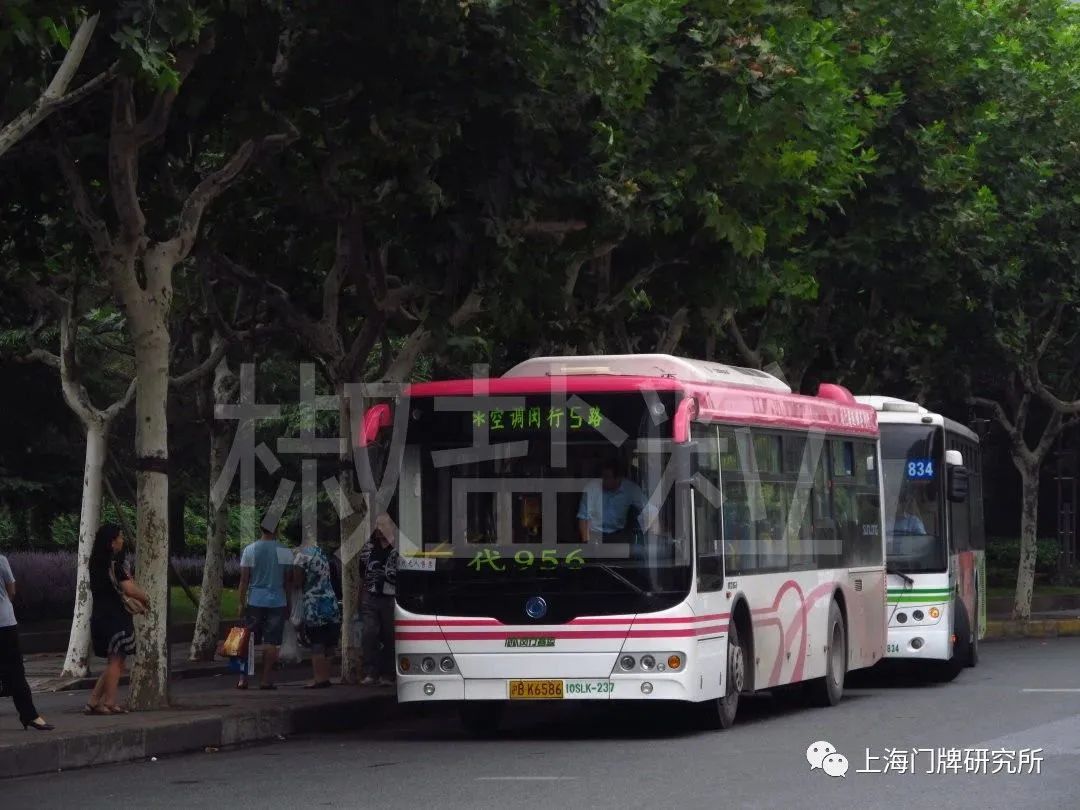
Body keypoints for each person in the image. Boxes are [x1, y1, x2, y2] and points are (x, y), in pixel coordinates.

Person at [87, 524, 149, 715]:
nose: (122, 540)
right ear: (112, 542)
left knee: (116, 662)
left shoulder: (96, 562)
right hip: (115, 617)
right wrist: (146, 598)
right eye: (120, 537)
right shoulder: (115, 564)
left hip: (100, 615)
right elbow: (128, 588)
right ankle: (110, 702)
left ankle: (94, 701)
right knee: (116, 661)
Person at [237, 523, 294, 690]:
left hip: (255, 600)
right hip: (277, 601)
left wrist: (240, 602)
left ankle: (243, 679)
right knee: (271, 641)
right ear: (277, 529)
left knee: (248, 640)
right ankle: (265, 679)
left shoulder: (250, 550)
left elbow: (244, 580)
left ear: (261, 528)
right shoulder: (285, 551)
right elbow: (287, 581)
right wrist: (289, 603)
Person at [0, 553, 54, 730]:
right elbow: (11, 590)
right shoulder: (1, 560)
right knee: (15, 670)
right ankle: (29, 715)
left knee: (13, 671)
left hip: (5, 622)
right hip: (5, 623)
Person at [294, 543, 342, 689]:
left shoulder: (301, 556)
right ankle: (326, 677)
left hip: (313, 604)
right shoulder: (322, 553)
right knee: (330, 644)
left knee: (317, 642)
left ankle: (319, 679)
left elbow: (297, 582)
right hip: (330, 601)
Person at [359, 514, 399, 687]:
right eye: (377, 524)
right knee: (369, 634)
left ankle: (388, 673)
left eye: (382, 524)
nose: (379, 528)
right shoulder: (368, 548)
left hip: (391, 597)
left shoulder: (399, 548)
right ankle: (370, 672)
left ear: (391, 526)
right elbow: (362, 573)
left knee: (390, 636)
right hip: (370, 595)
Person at [577, 459, 656, 542]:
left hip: (618, 534)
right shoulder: (591, 488)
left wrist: (653, 533)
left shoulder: (630, 489)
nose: (602, 480)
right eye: (602, 476)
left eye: (607, 477)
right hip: (595, 534)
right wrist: (587, 542)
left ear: (618, 478)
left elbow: (650, 510)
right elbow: (583, 518)